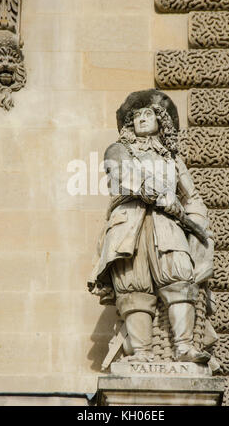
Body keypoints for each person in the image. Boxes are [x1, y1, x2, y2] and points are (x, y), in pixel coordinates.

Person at [88, 89, 214, 364]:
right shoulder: (119, 149)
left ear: (161, 121)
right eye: (137, 116)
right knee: (134, 285)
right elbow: (123, 175)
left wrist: (200, 227)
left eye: (149, 114)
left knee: (179, 277)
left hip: (167, 225)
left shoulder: (173, 160)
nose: (142, 119)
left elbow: (192, 199)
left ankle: (184, 348)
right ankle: (142, 352)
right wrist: (159, 195)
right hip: (129, 223)